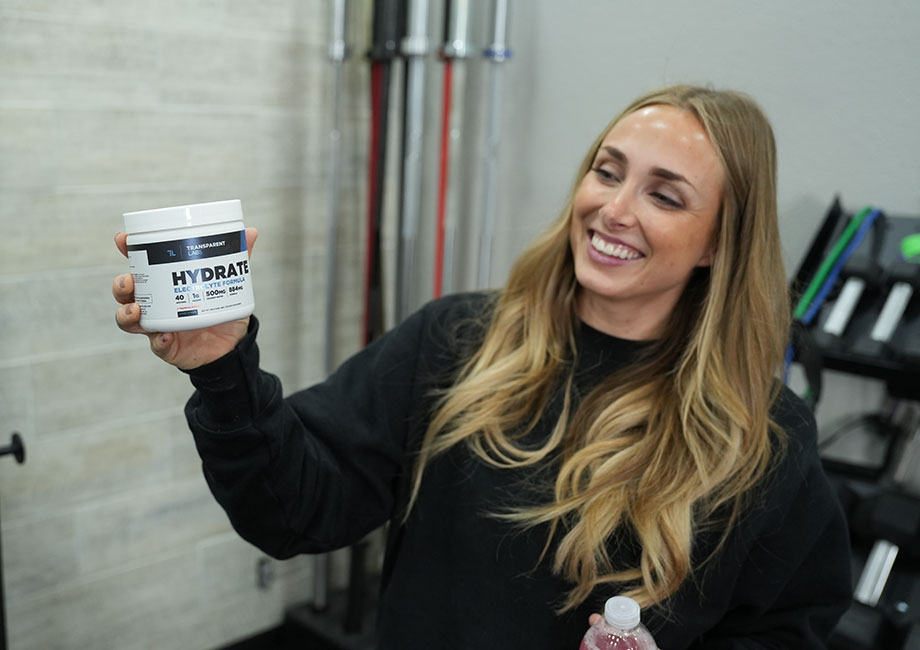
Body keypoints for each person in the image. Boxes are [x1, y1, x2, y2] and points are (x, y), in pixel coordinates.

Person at [113, 84, 852, 649]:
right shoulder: (456, 339)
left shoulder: (763, 438)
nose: (614, 209)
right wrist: (222, 369)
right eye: (607, 171)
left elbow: (791, 628)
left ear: (719, 244)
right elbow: (295, 509)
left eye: (664, 195)